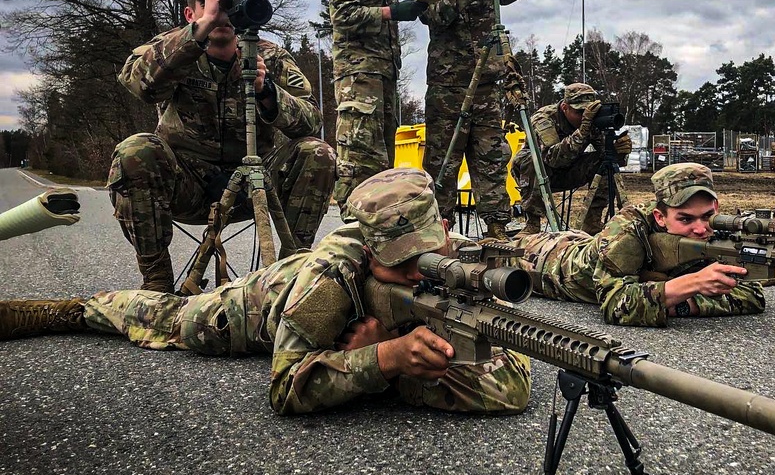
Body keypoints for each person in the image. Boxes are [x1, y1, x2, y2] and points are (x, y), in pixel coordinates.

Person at [0, 169, 531, 417]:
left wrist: (384, 361)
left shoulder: (458, 262)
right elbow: (284, 390)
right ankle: (72, 309)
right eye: (403, 266)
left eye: (429, 257)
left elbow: (513, 380)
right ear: (370, 256)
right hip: (254, 308)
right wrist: (385, 360)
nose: (423, 274)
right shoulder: (332, 278)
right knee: (166, 317)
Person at [111, 0, 335, 293]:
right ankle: (157, 285)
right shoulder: (173, 47)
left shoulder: (268, 55)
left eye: (229, 4)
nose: (221, 14)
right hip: (188, 184)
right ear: (191, 13)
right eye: (211, 4)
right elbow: (138, 83)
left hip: (254, 185)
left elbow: (311, 119)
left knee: (317, 153)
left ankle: (289, 277)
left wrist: (266, 90)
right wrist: (195, 35)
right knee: (136, 150)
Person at [511, 163, 765, 326]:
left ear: (717, 209)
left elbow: (752, 295)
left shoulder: (717, 228)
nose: (700, 229)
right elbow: (616, 306)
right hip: (544, 259)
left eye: (707, 216)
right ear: (660, 217)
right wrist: (695, 283)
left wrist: (686, 303)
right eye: (685, 219)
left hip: (581, 240)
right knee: (493, 253)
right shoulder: (628, 229)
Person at [417, 0, 531, 240]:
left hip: (485, 89)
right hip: (448, 90)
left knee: (492, 160)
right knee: (443, 164)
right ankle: (438, 235)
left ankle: (497, 230)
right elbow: (434, 15)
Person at [327, 0, 426, 213]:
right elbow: (341, 16)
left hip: (384, 77)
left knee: (383, 168)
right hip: (358, 78)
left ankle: (377, 249)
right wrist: (390, 12)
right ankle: (351, 242)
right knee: (359, 165)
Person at [510, 83, 632, 235]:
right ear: (564, 107)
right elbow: (552, 158)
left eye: (586, 112)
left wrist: (619, 151)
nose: (583, 117)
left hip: (571, 170)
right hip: (540, 176)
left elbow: (605, 154)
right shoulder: (544, 118)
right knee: (529, 158)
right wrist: (582, 131)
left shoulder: (591, 120)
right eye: (579, 112)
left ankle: (592, 221)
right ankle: (532, 224)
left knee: (603, 162)